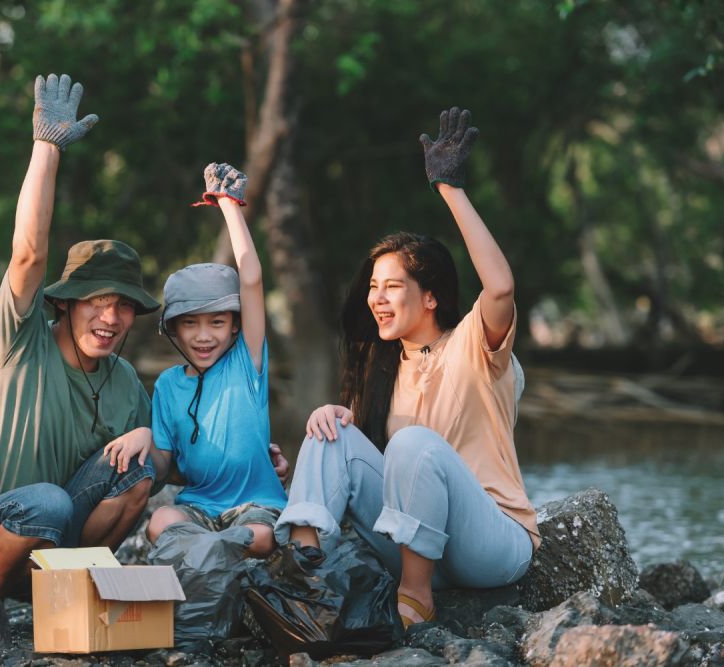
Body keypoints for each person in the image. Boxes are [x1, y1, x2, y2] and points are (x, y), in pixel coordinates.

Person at [273, 107, 540, 629]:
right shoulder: (382, 369)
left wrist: (449, 188)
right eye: (373, 287)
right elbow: (350, 465)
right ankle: (304, 581)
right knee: (327, 430)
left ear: (432, 296)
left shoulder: (475, 347)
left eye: (392, 286)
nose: (377, 298)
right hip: (419, 542)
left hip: (492, 544)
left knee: (413, 443)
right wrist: (334, 414)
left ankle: (415, 601)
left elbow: (501, 287)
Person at [0, 73, 162, 643]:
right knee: (47, 501)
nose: (110, 318)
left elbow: (169, 468)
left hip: (55, 536)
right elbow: (29, 253)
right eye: (97, 303)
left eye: (124, 307)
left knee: (140, 471)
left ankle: (64, 593)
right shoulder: (20, 337)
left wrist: (157, 438)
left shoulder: (126, 380)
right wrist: (46, 146)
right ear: (68, 305)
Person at [104, 163, 287, 559]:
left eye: (217, 322)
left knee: (262, 537)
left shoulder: (246, 362)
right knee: (160, 523)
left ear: (235, 326)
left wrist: (228, 205)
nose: (204, 336)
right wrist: (144, 437)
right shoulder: (169, 385)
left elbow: (252, 279)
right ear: (173, 329)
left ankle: (211, 555)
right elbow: (165, 461)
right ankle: (213, 553)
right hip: (199, 506)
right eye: (190, 325)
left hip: (255, 507)